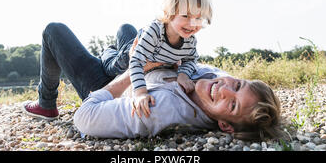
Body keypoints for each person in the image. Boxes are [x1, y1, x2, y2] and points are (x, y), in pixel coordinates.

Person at [22, 22, 285, 141]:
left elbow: (85, 117)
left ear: (225, 125)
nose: (224, 89)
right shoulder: (216, 80)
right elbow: (194, 58)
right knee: (129, 30)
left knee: (53, 31)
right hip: (143, 69)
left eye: (232, 106)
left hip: (111, 87)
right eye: (237, 85)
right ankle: (111, 56)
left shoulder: (162, 108)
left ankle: (47, 103)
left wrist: (136, 66)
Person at [128, 0, 212, 119]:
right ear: (169, 12)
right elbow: (136, 60)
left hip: (156, 61)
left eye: (198, 18)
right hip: (133, 50)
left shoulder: (190, 41)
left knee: (126, 30)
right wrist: (140, 93)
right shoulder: (155, 31)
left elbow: (190, 60)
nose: (192, 24)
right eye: (185, 16)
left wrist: (183, 75)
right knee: (113, 66)